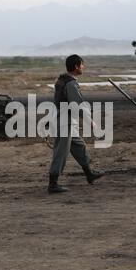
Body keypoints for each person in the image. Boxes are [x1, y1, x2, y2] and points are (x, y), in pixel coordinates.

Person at [47, 54, 104, 194]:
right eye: (82, 65)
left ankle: (89, 173)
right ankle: (52, 184)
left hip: (64, 121)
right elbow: (77, 105)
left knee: (79, 146)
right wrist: (89, 121)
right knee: (61, 153)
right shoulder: (71, 84)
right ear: (77, 66)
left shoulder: (62, 80)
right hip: (64, 122)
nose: (83, 67)